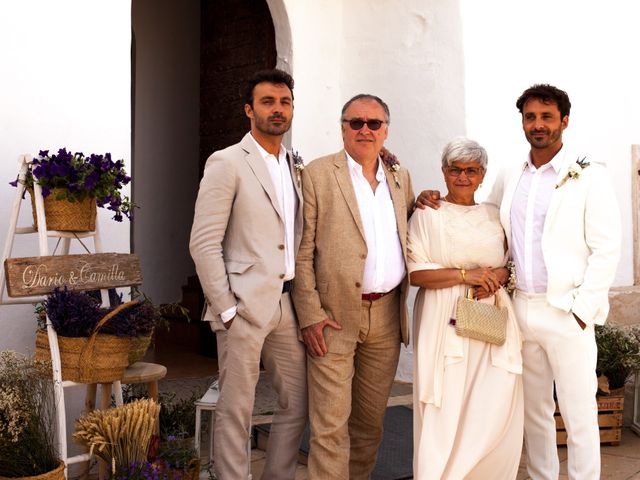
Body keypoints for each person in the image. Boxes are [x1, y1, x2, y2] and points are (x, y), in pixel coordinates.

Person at [417, 84, 621, 480]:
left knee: (579, 415)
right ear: (523, 122)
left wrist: (582, 311)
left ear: (564, 121)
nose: (538, 125)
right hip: (520, 310)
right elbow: (485, 222)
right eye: (530, 117)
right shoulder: (511, 175)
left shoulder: (589, 176)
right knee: (536, 414)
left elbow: (606, 249)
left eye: (546, 117)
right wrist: (429, 198)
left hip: (566, 312)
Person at [189, 69, 307, 480]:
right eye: (268, 102)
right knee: (236, 408)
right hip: (241, 305)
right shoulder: (226, 162)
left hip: (288, 304)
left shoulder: (295, 164)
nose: (278, 110)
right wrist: (225, 309)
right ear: (249, 110)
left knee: (297, 403)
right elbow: (203, 242)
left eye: (285, 102)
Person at [292, 94, 414, 479]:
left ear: (386, 130)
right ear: (343, 128)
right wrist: (310, 314)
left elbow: (409, 225)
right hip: (333, 318)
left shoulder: (399, 175)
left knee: (370, 423)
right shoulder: (316, 174)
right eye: (356, 122)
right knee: (329, 426)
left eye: (373, 124)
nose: (365, 130)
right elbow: (302, 251)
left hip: (386, 318)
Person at [408, 138, 523, 479]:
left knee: (491, 399)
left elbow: (509, 261)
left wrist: (498, 275)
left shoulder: (493, 214)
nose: (462, 177)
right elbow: (416, 272)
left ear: (482, 175)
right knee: (446, 399)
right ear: (443, 172)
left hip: (490, 315)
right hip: (443, 317)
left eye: (471, 170)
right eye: (455, 169)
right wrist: (464, 274)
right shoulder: (428, 213)